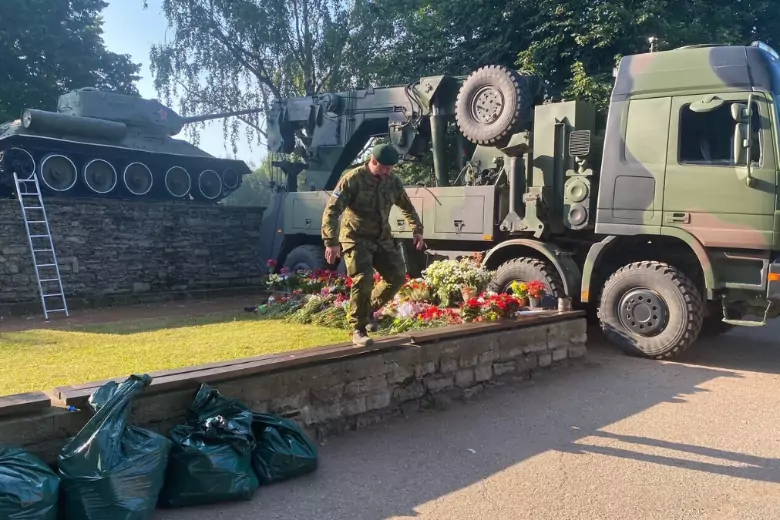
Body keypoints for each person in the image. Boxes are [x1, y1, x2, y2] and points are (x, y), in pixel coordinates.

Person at [321, 144, 425, 346]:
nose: (388, 171)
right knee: (363, 278)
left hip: (381, 237)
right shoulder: (353, 179)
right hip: (355, 237)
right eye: (385, 167)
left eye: (391, 168)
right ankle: (358, 329)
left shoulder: (392, 181)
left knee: (396, 276)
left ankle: (366, 311)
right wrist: (331, 242)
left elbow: (407, 206)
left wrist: (417, 229)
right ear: (373, 162)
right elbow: (332, 211)